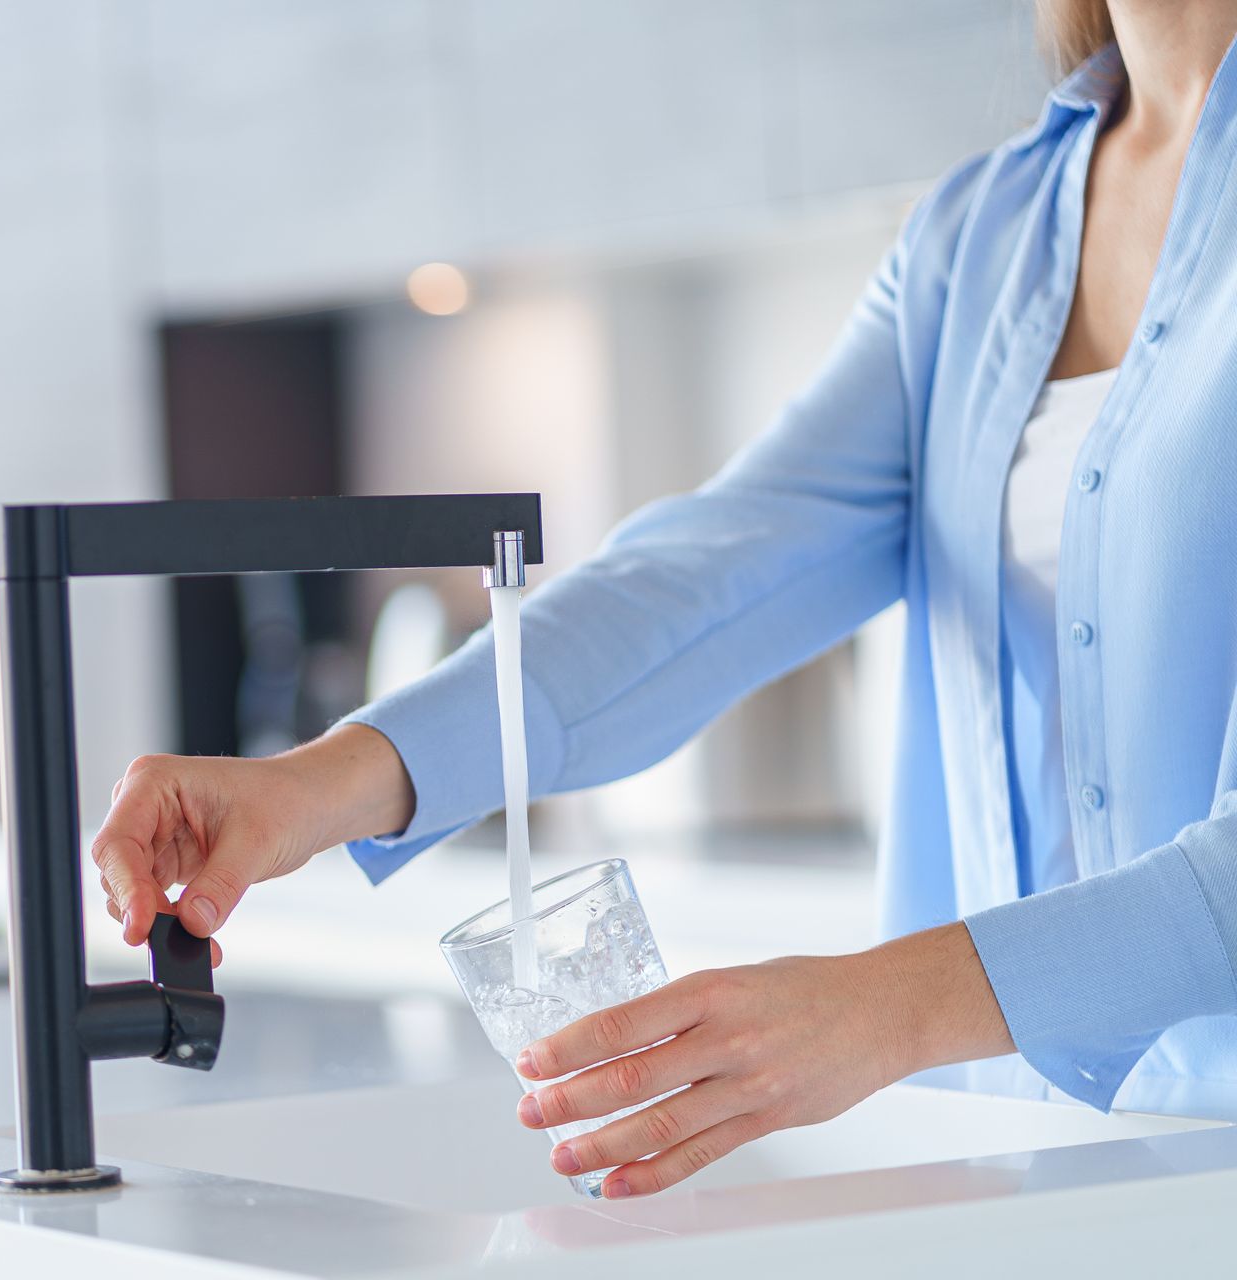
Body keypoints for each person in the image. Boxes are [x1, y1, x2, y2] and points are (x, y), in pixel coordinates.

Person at [92, 0, 1237, 1199]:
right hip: (1005, 1156)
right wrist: (317, 783)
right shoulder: (980, 237)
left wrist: (886, 1005)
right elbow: (708, 575)